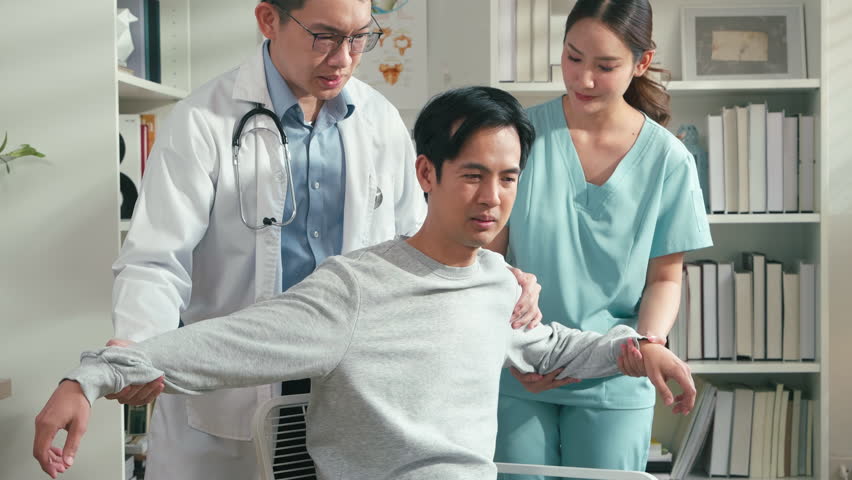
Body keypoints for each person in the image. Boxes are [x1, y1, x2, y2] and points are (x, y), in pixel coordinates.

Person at [33, 86, 696, 480]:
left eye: (508, 178)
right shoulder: (355, 288)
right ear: (427, 175)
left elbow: (548, 350)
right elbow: (226, 344)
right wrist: (91, 375)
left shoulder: (496, 283)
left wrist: (635, 348)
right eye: (472, 175)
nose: (491, 199)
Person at [105, 1, 543, 479]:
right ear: (268, 20)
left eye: (358, 37)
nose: (343, 57)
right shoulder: (202, 121)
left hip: (358, 398)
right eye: (324, 36)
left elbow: (422, 246)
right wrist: (138, 347)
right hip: (235, 393)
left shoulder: (378, 120)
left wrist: (497, 281)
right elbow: (156, 259)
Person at [490, 0, 714, 477]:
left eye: (605, 66)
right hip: (522, 370)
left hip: (617, 372)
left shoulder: (669, 160)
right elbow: (489, 257)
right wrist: (509, 349)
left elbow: (665, 280)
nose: (583, 79)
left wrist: (648, 341)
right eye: (573, 58)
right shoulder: (519, 137)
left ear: (641, 62)